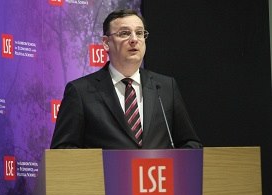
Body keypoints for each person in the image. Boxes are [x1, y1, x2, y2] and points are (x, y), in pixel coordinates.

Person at [50, 9, 202, 149]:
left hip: (159, 177)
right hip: (106, 178)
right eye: (124, 33)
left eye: (140, 33)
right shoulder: (80, 91)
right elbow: (63, 150)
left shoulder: (165, 86)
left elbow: (190, 143)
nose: (134, 39)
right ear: (105, 42)